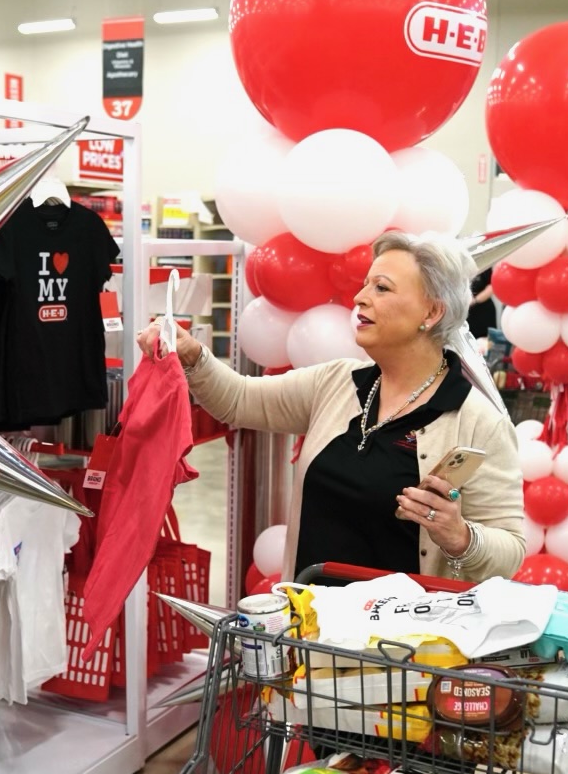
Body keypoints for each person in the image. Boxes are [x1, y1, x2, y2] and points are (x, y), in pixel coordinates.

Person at [139, 231, 524, 583]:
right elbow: (239, 400)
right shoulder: (338, 383)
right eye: (365, 284)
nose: (360, 297)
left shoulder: (477, 420)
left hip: (399, 648)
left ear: (432, 313)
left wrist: (461, 538)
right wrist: (192, 356)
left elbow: (511, 549)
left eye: (382, 287)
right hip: (312, 636)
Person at [466, 266, 497, 339]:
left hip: (483, 312)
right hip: (463, 314)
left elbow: (492, 285)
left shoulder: (484, 266)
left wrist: (475, 300)